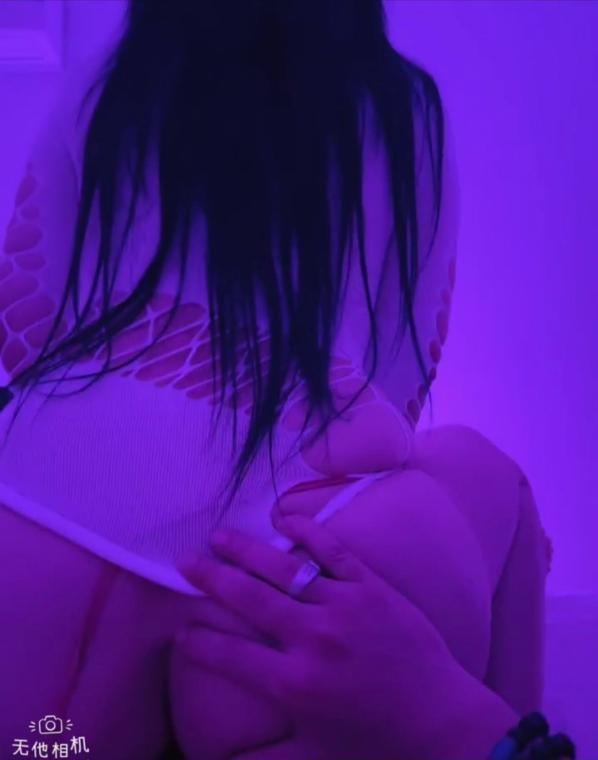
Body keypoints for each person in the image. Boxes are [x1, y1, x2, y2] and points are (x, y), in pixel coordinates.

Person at [0, 1, 550, 757]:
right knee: (484, 476)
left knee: (49, 742)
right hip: (300, 538)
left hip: (41, 516)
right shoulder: (403, 105)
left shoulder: (108, 80)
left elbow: (23, 317)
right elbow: (405, 368)